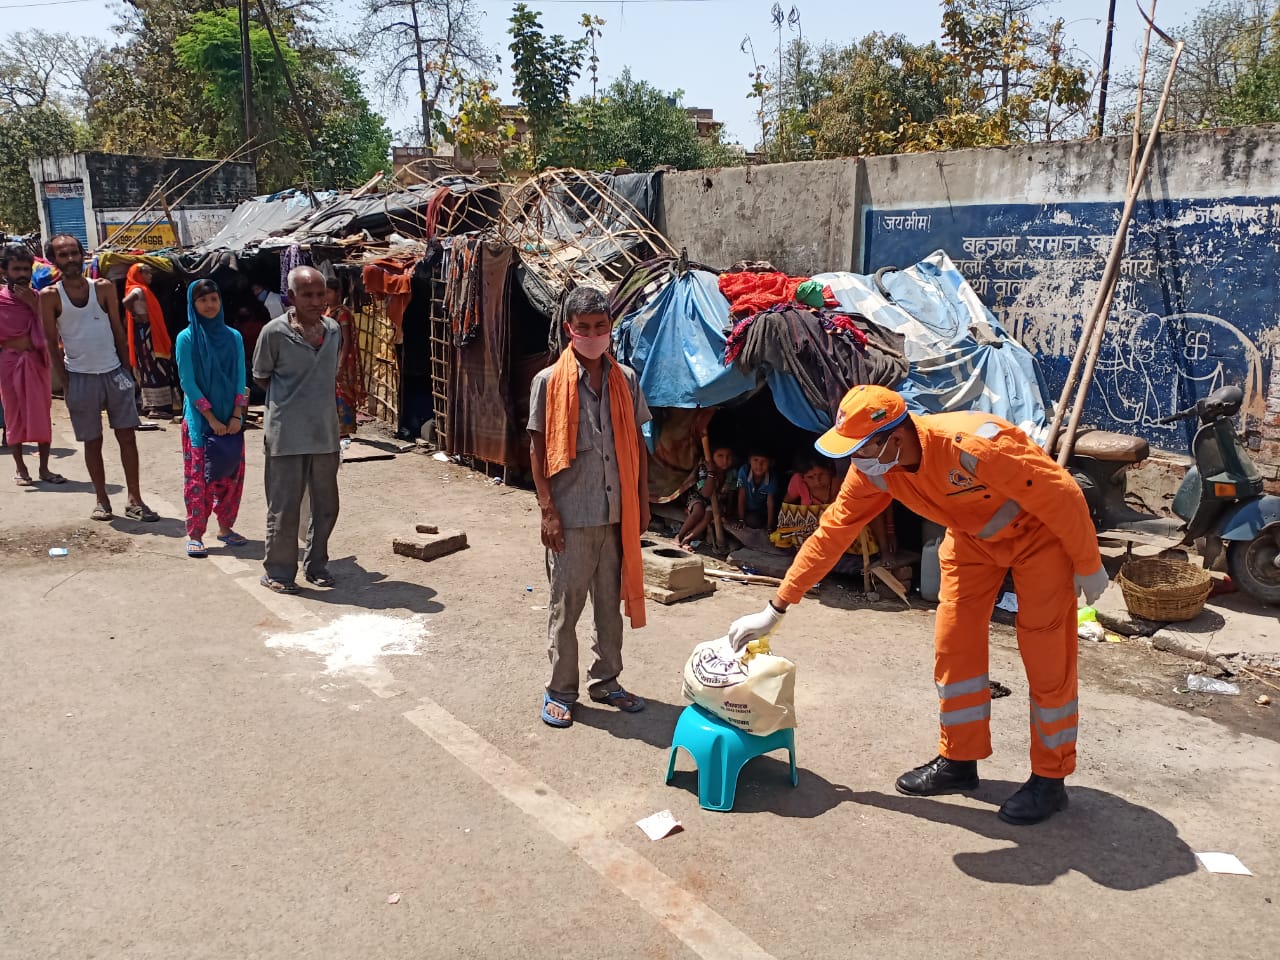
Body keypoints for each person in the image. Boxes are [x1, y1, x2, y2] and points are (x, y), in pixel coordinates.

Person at [726, 385, 1109, 826]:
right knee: (954, 649)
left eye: (861, 448)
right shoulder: (874, 470)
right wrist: (776, 607)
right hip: (970, 543)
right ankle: (959, 761)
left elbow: (1062, 493)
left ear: (895, 437)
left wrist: (1088, 562)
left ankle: (1050, 778)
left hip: (1039, 542)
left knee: (1047, 658)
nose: (855, 460)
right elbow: (832, 533)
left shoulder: (974, 446)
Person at [529, 285, 651, 729]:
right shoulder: (547, 383)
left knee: (608, 605)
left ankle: (607, 681)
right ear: (570, 330)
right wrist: (547, 510)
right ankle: (560, 690)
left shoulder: (627, 381)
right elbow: (537, 450)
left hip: (617, 514)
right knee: (565, 609)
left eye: (601, 327)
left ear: (610, 329)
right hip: (572, 517)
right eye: (584, 328)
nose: (593, 334)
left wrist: (642, 500)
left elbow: (636, 444)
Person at [40, 234, 158, 523]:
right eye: (63, 255)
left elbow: (118, 331)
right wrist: (66, 384)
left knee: (127, 437)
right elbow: (51, 343)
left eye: (74, 253)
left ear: (83, 256)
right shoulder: (50, 296)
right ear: (54, 261)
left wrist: (128, 372)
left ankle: (134, 500)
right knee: (92, 441)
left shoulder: (103, 288)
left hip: (114, 372)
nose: (70, 259)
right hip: (80, 377)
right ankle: (102, 500)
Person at [252, 265, 341, 594]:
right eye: (307, 295)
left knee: (326, 504)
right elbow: (261, 376)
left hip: (324, 433)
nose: (316, 301)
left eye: (321, 294)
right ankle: (278, 572)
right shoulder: (273, 333)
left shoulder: (332, 330)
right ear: (291, 297)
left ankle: (316, 564)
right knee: (285, 506)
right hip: (286, 434)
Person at [174, 280, 248, 559]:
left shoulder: (234, 337)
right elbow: (188, 382)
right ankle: (195, 534)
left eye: (214, 299)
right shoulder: (186, 338)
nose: (209, 305)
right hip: (200, 422)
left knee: (231, 475)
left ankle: (226, 528)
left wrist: (235, 415)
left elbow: (241, 377)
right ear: (193, 305)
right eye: (202, 300)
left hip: (232, 420)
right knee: (199, 480)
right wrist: (210, 417)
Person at [0, 243, 62, 486]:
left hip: (36, 362)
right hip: (9, 362)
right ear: (5, 272)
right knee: (13, 414)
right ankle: (20, 468)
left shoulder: (41, 298)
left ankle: (44, 468)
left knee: (41, 413)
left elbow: (53, 330)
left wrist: (33, 306)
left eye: (26, 269)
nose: (22, 274)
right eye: (16, 269)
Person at [121, 262, 177, 419]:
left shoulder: (142, 290)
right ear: (139, 274)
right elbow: (126, 302)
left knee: (152, 367)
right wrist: (135, 315)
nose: (150, 276)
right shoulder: (138, 289)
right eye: (147, 273)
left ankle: (155, 405)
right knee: (152, 366)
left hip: (146, 332)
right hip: (146, 333)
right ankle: (154, 407)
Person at [325, 277, 365, 438]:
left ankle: (344, 429)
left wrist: (341, 365)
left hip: (342, 359)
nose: (326, 296)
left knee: (343, 394)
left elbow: (347, 340)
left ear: (337, 293)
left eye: (328, 292)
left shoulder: (343, 313)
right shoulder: (326, 312)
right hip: (328, 358)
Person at [675, 445, 735, 550]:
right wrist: (711, 473)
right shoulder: (704, 468)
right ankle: (678, 536)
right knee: (698, 511)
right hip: (699, 496)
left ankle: (688, 539)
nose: (725, 460)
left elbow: (731, 494)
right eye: (720, 456)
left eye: (728, 456)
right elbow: (705, 493)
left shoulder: (732, 473)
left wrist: (729, 513)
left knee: (709, 514)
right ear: (711, 457)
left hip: (717, 502)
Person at [737, 450, 779, 530]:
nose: (759, 465)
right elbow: (741, 495)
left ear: (771, 463)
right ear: (749, 460)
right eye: (755, 460)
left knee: (754, 520)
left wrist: (769, 526)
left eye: (764, 461)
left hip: (760, 510)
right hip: (746, 508)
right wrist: (741, 519)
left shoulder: (772, 477)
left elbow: (770, 502)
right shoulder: (743, 471)